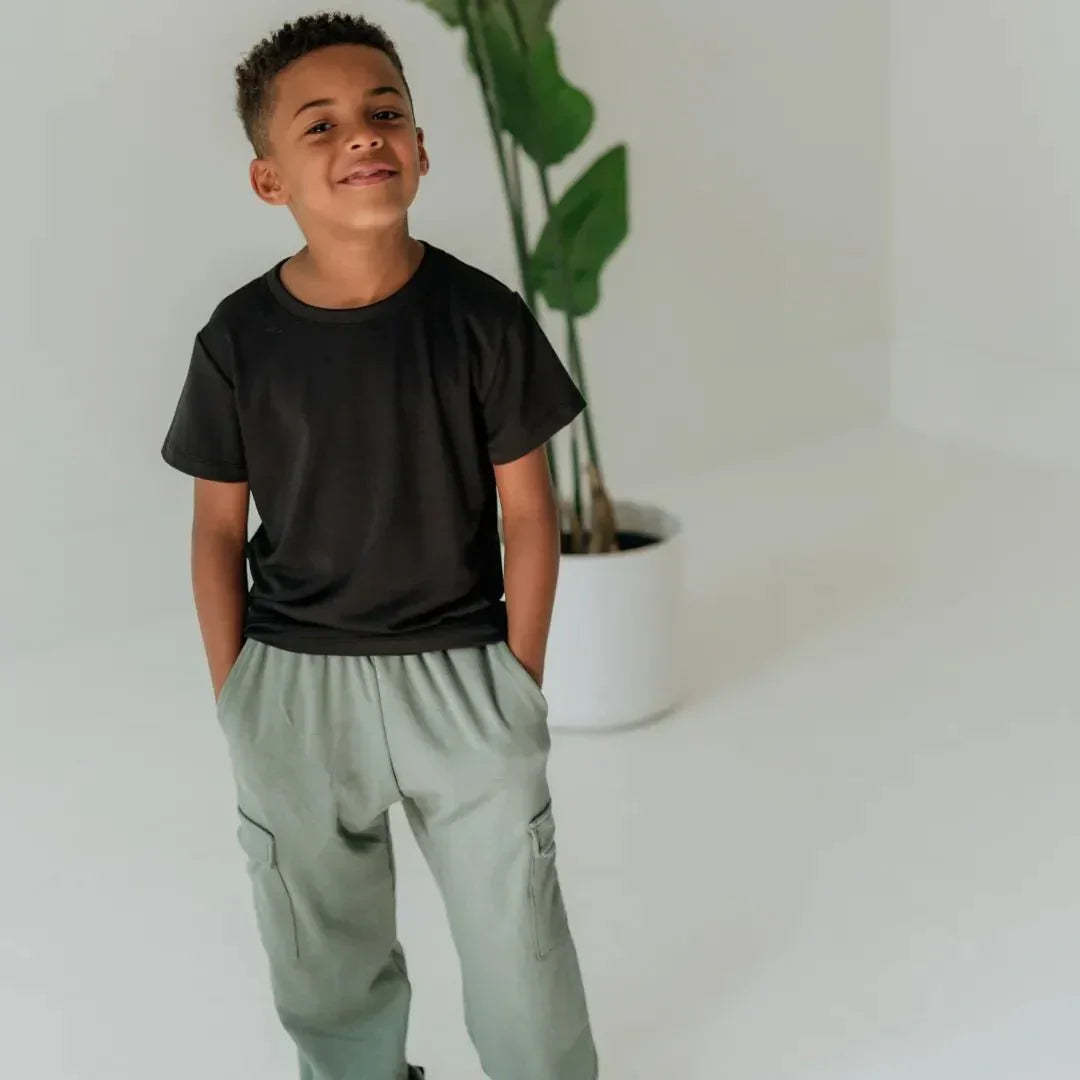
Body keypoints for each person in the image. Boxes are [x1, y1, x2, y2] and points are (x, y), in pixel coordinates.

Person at [159, 11, 598, 1080]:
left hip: (464, 682)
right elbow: (218, 530)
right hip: (295, 689)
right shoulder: (236, 341)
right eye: (322, 126)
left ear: (420, 148)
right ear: (272, 181)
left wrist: (516, 686)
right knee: (322, 961)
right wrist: (241, 701)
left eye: (385, 112)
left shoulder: (484, 320)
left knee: (519, 947)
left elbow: (530, 512)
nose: (363, 135)